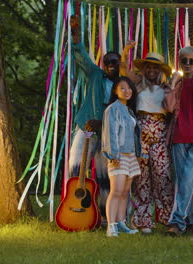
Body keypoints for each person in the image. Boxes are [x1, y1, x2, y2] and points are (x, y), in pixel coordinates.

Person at [67, 16, 120, 219]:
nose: (110, 65)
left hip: (107, 132)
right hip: (87, 126)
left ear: (119, 64)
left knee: (104, 173)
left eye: (114, 62)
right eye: (107, 62)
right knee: (76, 165)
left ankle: (106, 215)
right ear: (103, 64)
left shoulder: (123, 85)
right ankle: (79, 204)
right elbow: (81, 57)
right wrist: (75, 35)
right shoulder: (95, 74)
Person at [120, 41, 174, 234]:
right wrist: (125, 51)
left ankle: (167, 217)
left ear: (160, 70)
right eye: (148, 66)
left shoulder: (167, 88)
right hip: (141, 134)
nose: (151, 69)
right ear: (144, 69)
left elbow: (172, 109)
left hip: (160, 134)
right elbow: (122, 69)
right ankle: (143, 221)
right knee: (142, 179)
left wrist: (173, 84)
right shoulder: (137, 84)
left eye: (155, 67)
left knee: (163, 176)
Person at [163, 46, 193, 236]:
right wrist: (173, 83)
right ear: (180, 61)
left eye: (192, 61)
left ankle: (177, 222)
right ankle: (191, 220)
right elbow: (168, 107)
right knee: (185, 180)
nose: (188, 64)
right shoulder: (175, 82)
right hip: (178, 137)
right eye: (184, 60)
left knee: (186, 180)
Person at [102, 77, 142, 237]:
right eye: (122, 88)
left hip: (131, 155)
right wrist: (113, 154)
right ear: (115, 91)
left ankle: (121, 222)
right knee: (116, 191)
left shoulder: (129, 110)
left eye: (129, 88)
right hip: (118, 154)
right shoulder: (112, 109)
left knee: (125, 192)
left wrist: (138, 154)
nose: (127, 91)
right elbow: (110, 132)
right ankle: (110, 226)